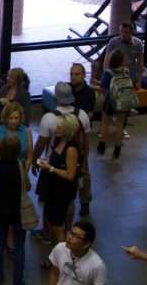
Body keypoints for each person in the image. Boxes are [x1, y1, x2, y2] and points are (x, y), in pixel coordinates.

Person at [31, 82, 90, 231]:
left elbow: (40, 144)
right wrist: (82, 163)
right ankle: (68, 228)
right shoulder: (82, 114)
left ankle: (46, 232)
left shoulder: (49, 118)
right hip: (75, 163)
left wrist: (34, 161)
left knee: (48, 198)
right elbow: (86, 143)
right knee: (70, 199)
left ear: (55, 97)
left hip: (53, 163)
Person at [0, 102, 31, 268]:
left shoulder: (26, 132)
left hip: (17, 176)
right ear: (5, 117)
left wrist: (24, 173)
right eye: (11, 118)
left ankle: (10, 244)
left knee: (13, 211)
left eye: (17, 118)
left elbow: (29, 156)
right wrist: (0, 177)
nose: (14, 122)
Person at [37, 113, 82, 263]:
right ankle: (56, 258)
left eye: (60, 127)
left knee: (57, 228)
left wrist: (50, 168)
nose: (57, 129)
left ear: (68, 129)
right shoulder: (60, 142)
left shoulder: (71, 149)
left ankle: (63, 260)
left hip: (62, 192)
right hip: (54, 189)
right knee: (53, 224)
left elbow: (70, 175)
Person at [0, 134, 29, 285]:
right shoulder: (20, 166)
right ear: (18, 151)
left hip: (1, 210)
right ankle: (17, 284)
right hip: (17, 211)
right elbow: (27, 185)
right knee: (19, 246)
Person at [47, 221, 107, 285]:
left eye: (76, 236)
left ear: (86, 244)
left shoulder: (97, 265)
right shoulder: (60, 248)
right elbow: (54, 274)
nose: (70, 237)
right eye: (71, 233)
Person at [68, 64, 100, 216]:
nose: (73, 77)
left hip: (80, 137)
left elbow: (90, 114)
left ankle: (85, 200)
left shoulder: (89, 93)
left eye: (76, 74)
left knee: (83, 170)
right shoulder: (67, 89)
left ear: (83, 75)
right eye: (71, 74)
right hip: (67, 134)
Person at [97, 50, 133, 159]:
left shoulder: (108, 72)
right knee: (120, 125)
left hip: (110, 101)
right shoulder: (126, 71)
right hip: (123, 101)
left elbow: (103, 87)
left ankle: (102, 145)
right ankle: (117, 149)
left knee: (105, 123)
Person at [104, 20, 145, 88]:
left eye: (126, 32)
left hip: (131, 78)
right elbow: (107, 61)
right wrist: (107, 75)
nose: (123, 34)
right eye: (121, 31)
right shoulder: (113, 42)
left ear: (131, 32)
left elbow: (140, 63)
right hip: (115, 78)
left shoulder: (138, 43)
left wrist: (139, 80)